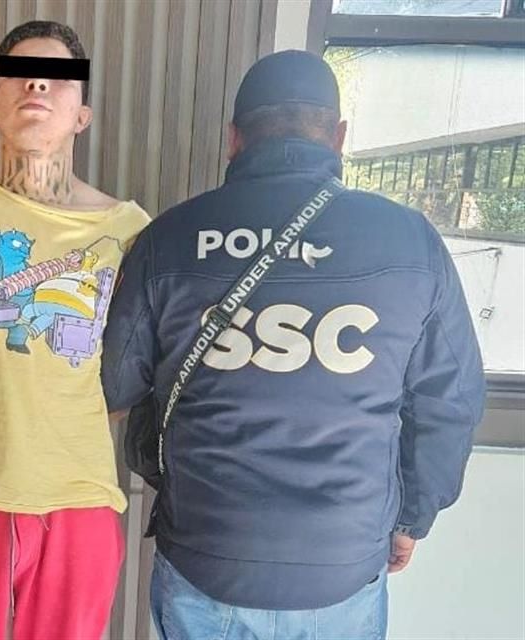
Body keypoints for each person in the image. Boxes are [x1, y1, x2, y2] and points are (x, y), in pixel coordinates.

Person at [101, 50, 486, 640]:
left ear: (234, 139)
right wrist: (412, 518)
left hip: (207, 551)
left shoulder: (169, 239)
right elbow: (451, 400)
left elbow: (115, 385)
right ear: (339, 137)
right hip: (343, 559)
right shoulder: (410, 240)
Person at [0, 20, 150, 640]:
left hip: (79, 495)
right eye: (18, 74)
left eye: (59, 78)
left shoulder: (129, 229)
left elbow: (137, 365)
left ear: (82, 116)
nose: (37, 84)